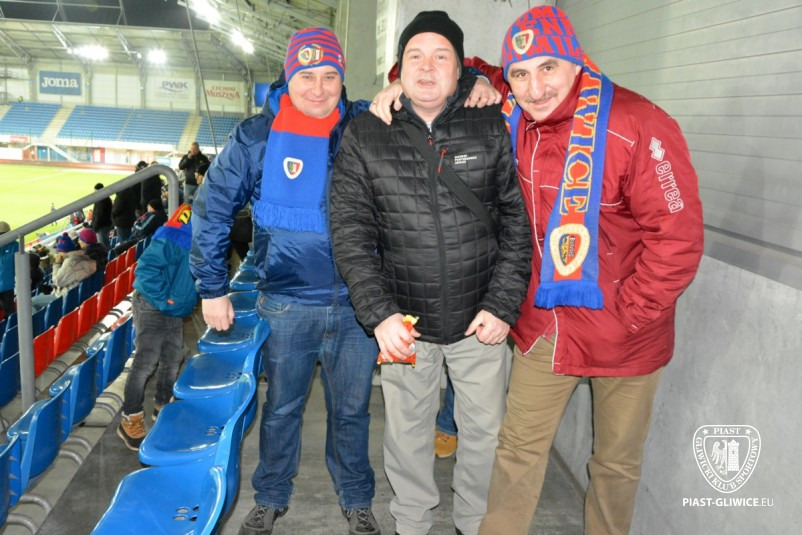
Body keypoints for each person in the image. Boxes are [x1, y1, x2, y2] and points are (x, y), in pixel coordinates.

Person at [402, 7, 704, 535]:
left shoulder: (638, 123)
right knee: (516, 451)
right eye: (520, 74)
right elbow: (448, 69)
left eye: (548, 68)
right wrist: (399, 90)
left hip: (627, 332)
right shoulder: (512, 114)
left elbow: (677, 238)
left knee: (614, 465)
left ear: (576, 61)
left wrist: (631, 315)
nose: (535, 87)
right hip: (547, 326)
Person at [329, 12, 532, 535]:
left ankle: (473, 523)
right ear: (398, 68)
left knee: (484, 433)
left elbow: (518, 222)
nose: (427, 66)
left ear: (459, 68)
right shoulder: (366, 132)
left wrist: (501, 305)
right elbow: (350, 231)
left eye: (441, 56)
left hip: (480, 320)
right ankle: (412, 523)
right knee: (407, 435)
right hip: (405, 321)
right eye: (415, 56)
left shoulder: (491, 124)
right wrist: (380, 315)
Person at [190, 27, 381, 535]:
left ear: (343, 80)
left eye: (329, 77)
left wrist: (476, 81)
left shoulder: (366, 126)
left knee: (353, 411)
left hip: (359, 304)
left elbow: (431, 96)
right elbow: (211, 209)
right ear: (288, 78)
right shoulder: (256, 136)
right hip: (287, 303)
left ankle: (357, 496)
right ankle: (271, 495)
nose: (318, 88)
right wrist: (212, 287)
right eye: (307, 76)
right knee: (281, 409)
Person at [118, 204, 197, 451]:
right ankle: (130, 418)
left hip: (173, 307)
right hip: (153, 304)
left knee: (172, 359)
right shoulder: (175, 236)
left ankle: (162, 405)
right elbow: (145, 269)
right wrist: (166, 299)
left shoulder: (203, 236)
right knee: (145, 364)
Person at [0, 221, 18, 319]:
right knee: (10, 314)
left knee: (9, 313)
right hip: (9, 286)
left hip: (8, 286)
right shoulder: (15, 245)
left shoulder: (15, 246)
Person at [91, 183, 114, 249]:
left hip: (102, 227)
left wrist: (95, 226)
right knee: (105, 244)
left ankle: (108, 255)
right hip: (105, 225)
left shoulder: (101, 200)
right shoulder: (106, 198)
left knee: (104, 245)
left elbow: (99, 215)